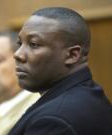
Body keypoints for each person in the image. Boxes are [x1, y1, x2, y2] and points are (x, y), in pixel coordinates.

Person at [8, 7, 112, 135]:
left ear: (72, 55)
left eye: (34, 44)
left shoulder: (55, 120)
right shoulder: (88, 94)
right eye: (20, 43)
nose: (18, 54)